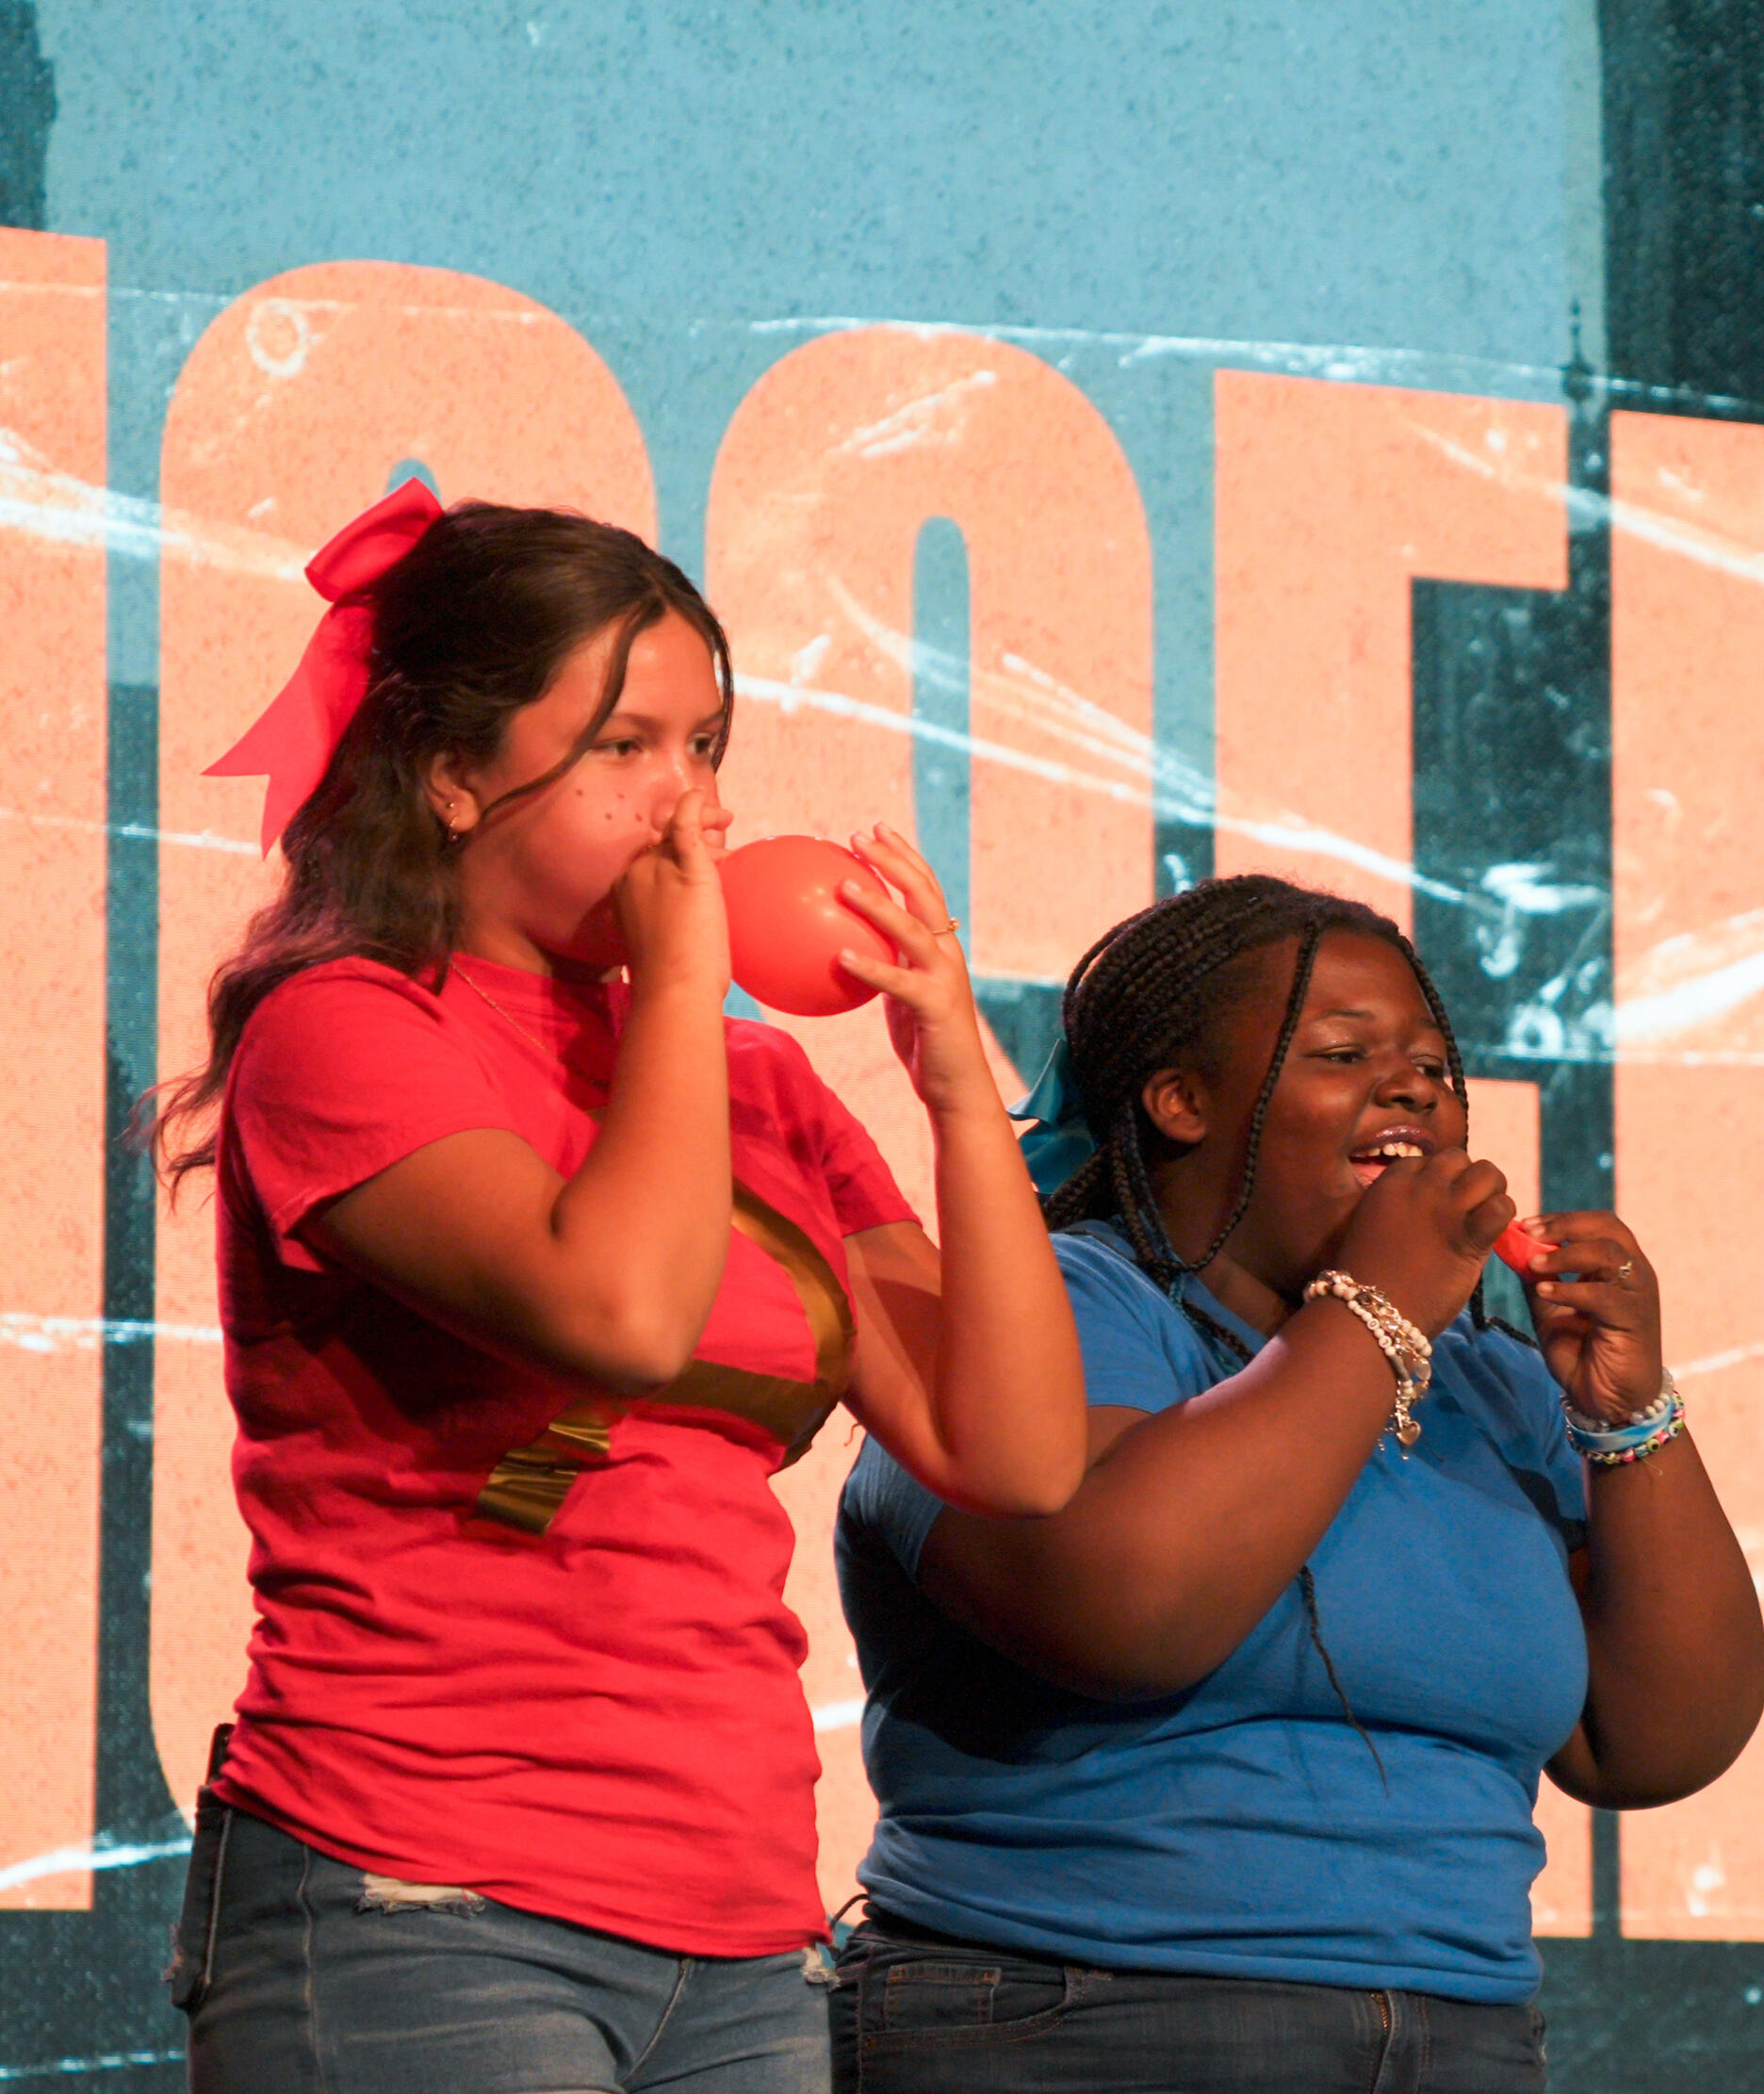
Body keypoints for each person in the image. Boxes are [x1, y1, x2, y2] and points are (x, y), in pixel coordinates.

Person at [145, 483, 1086, 2094]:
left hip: (740, 1930)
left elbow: (1017, 1452)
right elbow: (626, 1315)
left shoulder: (757, 1086)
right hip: (417, 1901)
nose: (690, 807)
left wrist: (951, 1087)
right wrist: (684, 980)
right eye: (626, 748)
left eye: (706, 747)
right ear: (452, 775)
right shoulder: (348, 1028)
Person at [829, 873, 1764, 2093]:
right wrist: (1372, 1313)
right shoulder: (1048, 1307)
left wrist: (1625, 1414)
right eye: (1344, 1053)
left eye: (1431, 1065)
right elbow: (1123, 1608)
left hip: (1462, 2036)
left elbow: (1653, 1742)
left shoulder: (1489, 1379)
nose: (1413, 1087)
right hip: (1083, 2023)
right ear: (1181, 1100)